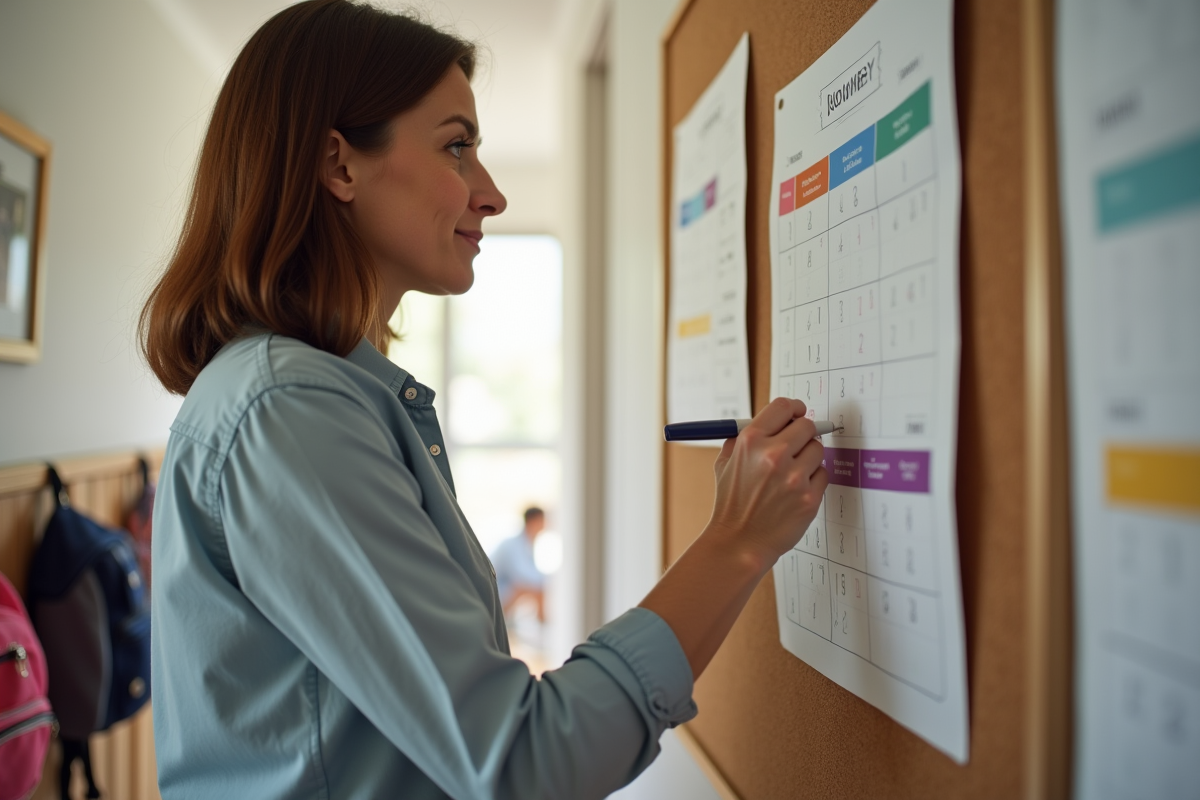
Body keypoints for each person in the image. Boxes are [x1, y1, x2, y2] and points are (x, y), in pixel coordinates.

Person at [140, 2, 828, 798]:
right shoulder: (288, 411)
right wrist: (736, 542)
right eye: (456, 147)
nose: (492, 194)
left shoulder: (311, 397)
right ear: (339, 165)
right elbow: (522, 762)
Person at [491, 507, 548, 622]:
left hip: (502, 592)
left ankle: (542, 624)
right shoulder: (513, 545)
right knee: (532, 589)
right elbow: (521, 576)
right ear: (533, 521)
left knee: (537, 588)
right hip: (494, 594)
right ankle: (543, 625)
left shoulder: (526, 543)